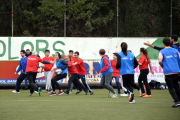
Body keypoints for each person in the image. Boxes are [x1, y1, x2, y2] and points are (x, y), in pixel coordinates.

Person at [158, 37, 180, 108]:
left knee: (170, 87)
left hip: (168, 71)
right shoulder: (175, 50)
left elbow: (160, 61)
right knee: (176, 86)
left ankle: (177, 101)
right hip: (176, 71)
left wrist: (162, 66)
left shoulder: (162, 51)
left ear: (163, 44)